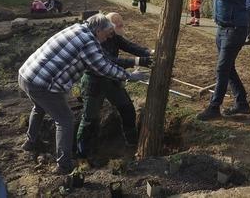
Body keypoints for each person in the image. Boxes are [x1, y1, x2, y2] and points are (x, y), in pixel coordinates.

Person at [18, 14, 147, 174]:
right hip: (42, 83)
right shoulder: (88, 42)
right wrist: (129, 76)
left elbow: (112, 55)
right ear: (98, 30)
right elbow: (103, 66)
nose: (107, 39)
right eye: (106, 35)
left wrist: (143, 55)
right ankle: (64, 165)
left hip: (27, 75)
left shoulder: (79, 28)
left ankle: (30, 142)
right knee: (65, 121)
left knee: (39, 107)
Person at [76, 12, 154, 159]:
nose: (114, 33)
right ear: (105, 28)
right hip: (94, 82)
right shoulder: (95, 40)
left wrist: (148, 52)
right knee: (89, 119)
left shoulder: (114, 36)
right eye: (113, 29)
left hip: (112, 79)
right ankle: (83, 153)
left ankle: (131, 143)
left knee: (127, 109)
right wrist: (138, 62)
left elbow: (128, 45)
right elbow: (110, 60)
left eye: (118, 27)